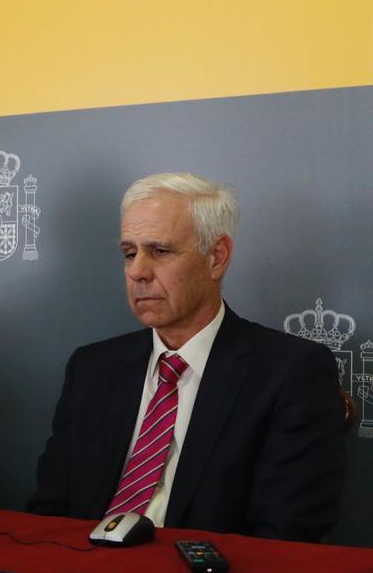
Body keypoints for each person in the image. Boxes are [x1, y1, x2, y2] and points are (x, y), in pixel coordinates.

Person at [28, 173, 344, 543]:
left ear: (216, 257)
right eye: (129, 253)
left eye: (159, 251)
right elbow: (47, 516)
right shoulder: (92, 368)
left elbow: (284, 535)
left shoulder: (289, 372)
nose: (138, 272)